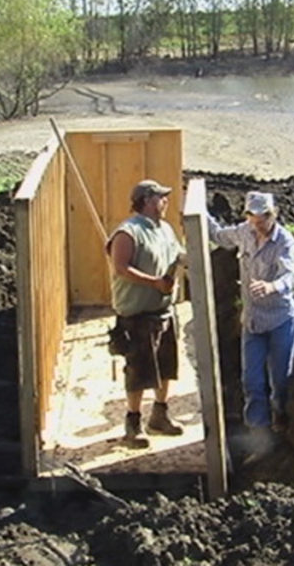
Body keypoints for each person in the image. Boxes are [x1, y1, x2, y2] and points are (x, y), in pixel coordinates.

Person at [207, 191, 294, 441]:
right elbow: (217, 235)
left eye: (265, 217)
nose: (260, 224)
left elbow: (289, 275)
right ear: (248, 217)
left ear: (273, 214)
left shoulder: (284, 241)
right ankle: (258, 432)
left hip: (280, 320)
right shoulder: (244, 232)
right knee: (252, 379)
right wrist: (196, 210)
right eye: (255, 218)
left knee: (280, 378)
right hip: (252, 321)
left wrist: (272, 287)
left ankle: (280, 413)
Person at [106, 179, 186, 448]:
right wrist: (154, 283)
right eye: (162, 198)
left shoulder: (165, 229)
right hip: (137, 316)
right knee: (138, 371)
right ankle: (132, 425)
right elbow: (121, 268)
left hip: (162, 311)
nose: (166, 202)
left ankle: (159, 416)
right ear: (149, 200)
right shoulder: (128, 233)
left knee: (166, 368)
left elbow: (178, 255)